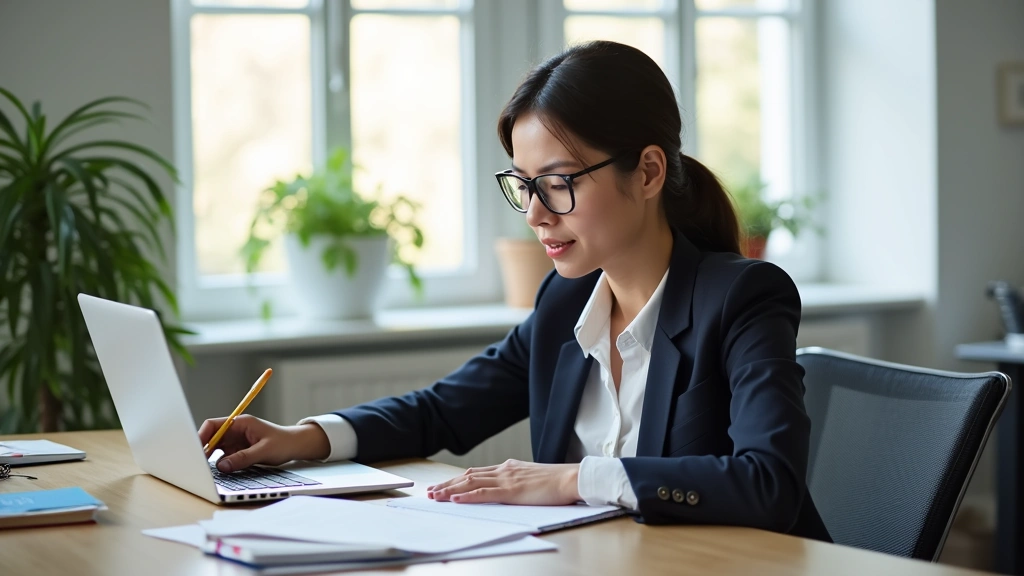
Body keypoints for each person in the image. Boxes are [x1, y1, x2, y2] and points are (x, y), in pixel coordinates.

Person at [199, 40, 831, 542]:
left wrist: (572, 481)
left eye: (557, 183)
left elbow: (768, 482)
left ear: (647, 172)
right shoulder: (564, 304)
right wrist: (301, 439)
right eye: (523, 184)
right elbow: (442, 409)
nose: (534, 213)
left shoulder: (742, 297)